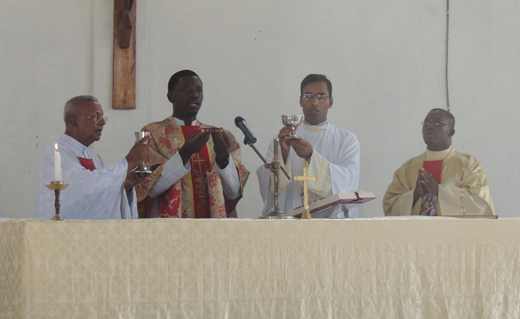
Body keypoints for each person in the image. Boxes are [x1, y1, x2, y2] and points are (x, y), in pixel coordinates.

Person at [135, 70, 249, 218]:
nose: (194, 94)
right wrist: (184, 154)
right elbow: (149, 189)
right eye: (185, 90)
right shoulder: (153, 134)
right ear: (171, 96)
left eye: (198, 90)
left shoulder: (219, 135)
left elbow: (233, 193)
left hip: (211, 227)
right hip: (169, 227)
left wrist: (223, 158)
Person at [257, 74, 361, 218]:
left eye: (321, 96)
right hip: (290, 221)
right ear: (300, 100)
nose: (314, 102)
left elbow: (347, 184)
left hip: (329, 224)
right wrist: (284, 155)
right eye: (308, 96)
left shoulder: (347, 140)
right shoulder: (280, 139)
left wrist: (311, 157)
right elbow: (267, 186)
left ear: (331, 102)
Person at [35, 95, 149, 219]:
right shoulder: (56, 154)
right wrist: (128, 162)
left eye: (102, 117)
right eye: (95, 117)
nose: (103, 122)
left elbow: (97, 197)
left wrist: (124, 185)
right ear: (74, 122)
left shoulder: (94, 157)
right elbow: (82, 192)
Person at [383, 108, 495, 216]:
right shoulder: (407, 168)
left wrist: (439, 191)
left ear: (451, 131)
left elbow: (480, 204)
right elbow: (390, 204)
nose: (429, 126)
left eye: (437, 123)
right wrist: (415, 194)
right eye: (426, 123)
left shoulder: (469, 165)